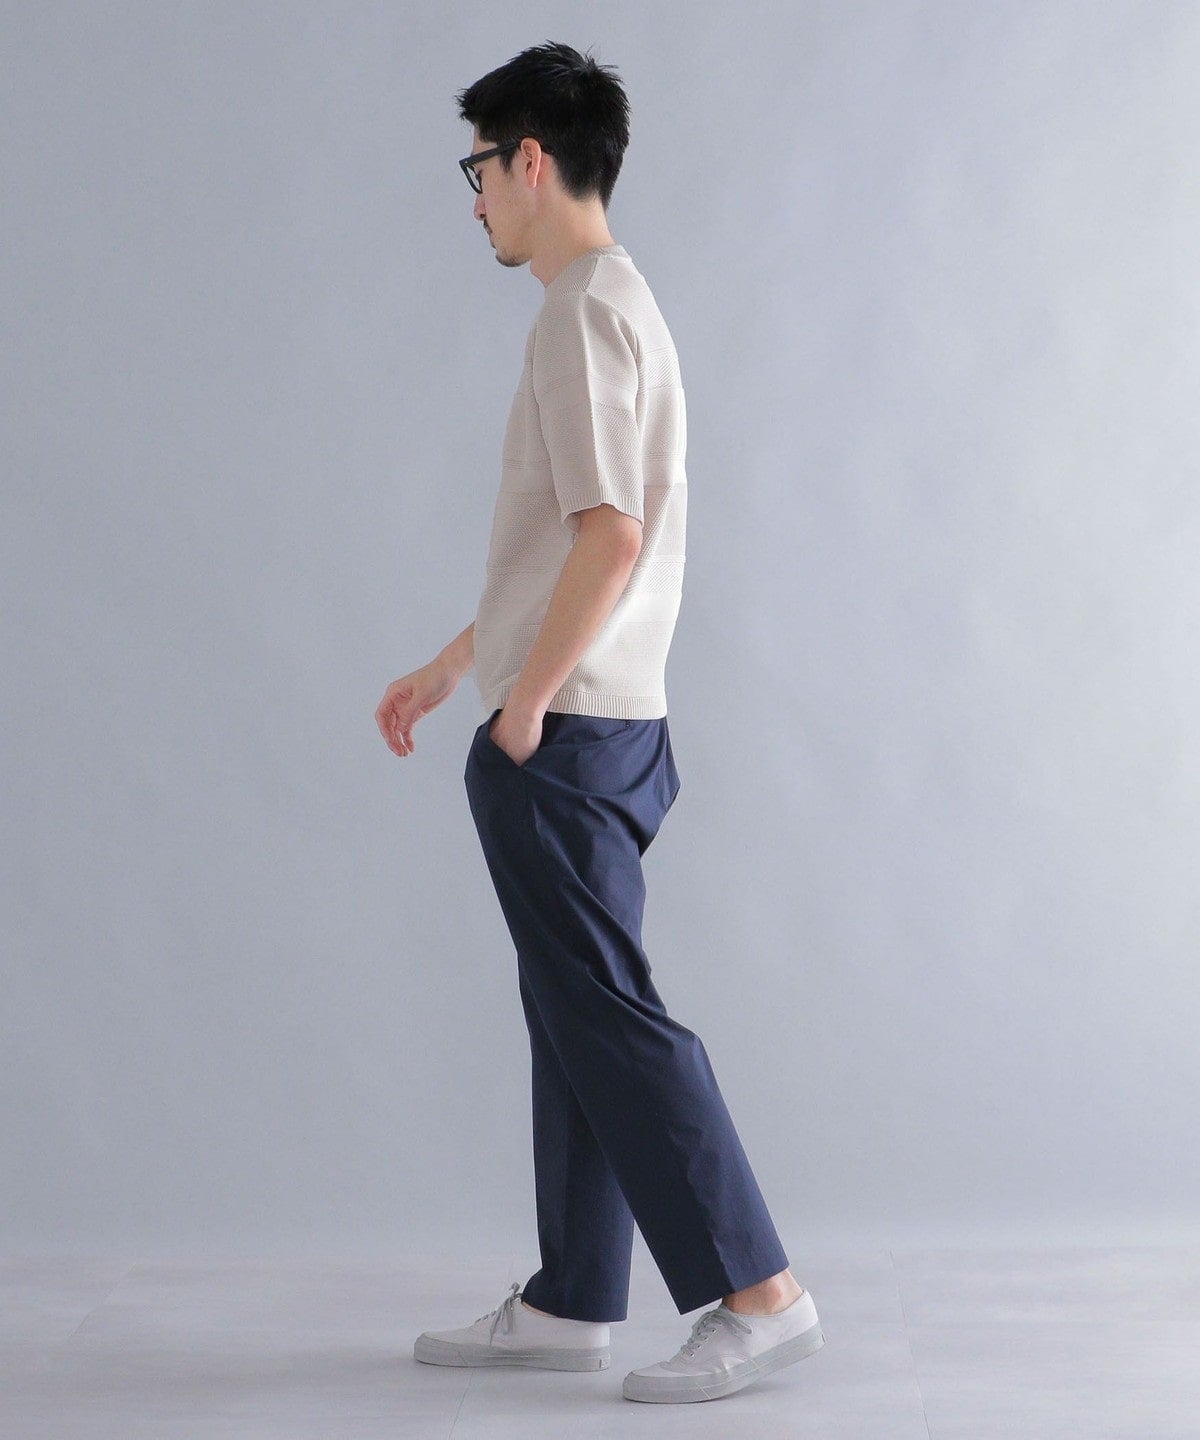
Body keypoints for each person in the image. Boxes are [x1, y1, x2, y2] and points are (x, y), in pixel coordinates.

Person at [374, 40, 825, 1405]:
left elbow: (610, 534)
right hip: (610, 723)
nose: (473, 201)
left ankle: (761, 1296)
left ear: (531, 160)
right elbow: (571, 547)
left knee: (608, 1015)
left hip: (567, 734)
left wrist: (519, 705)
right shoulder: (623, 301)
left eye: (478, 169)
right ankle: (574, 1297)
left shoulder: (578, 313)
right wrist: (455, 665)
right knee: (574, 1008)